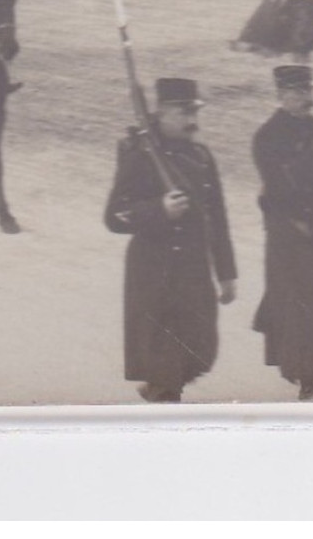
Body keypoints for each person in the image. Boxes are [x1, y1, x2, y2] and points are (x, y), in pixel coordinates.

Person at [104, 78, 238, 403]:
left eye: (194, 112)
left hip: (193, 270)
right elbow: (115, 215)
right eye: (183, 113)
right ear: (162, 113)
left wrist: (226, 272)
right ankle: (165, 399)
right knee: (165, 356)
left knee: (199, 348)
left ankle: (161, 388)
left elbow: (217, 218)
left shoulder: (202, 157)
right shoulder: (140, 155)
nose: (192, 121)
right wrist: (158, 210)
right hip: (154, 271)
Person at [250, 65, 313, 401]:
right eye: (296, 92)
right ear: (281, 96)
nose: (305, 98)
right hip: (290, 233)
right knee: (300, 307)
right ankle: (307, 380)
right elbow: (278, 188)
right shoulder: (266, 137)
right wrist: (310, 158)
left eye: (307, 90)